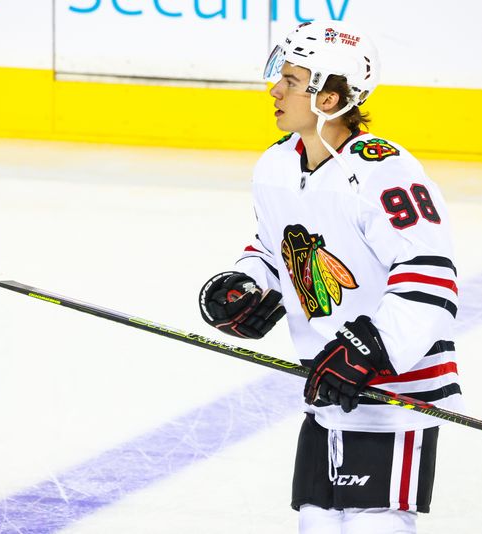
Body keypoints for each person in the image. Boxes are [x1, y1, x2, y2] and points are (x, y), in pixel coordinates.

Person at [198, 20, 464, 534]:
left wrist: (372, 347)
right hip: (329, 388)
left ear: (329, 97)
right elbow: (275, 251)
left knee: (374, 525)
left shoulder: (385, 170)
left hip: (396, 392)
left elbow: (430, 276)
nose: (274, 89)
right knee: (316, 524)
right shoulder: (275, 167)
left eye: (293, 80)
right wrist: (250, 285)